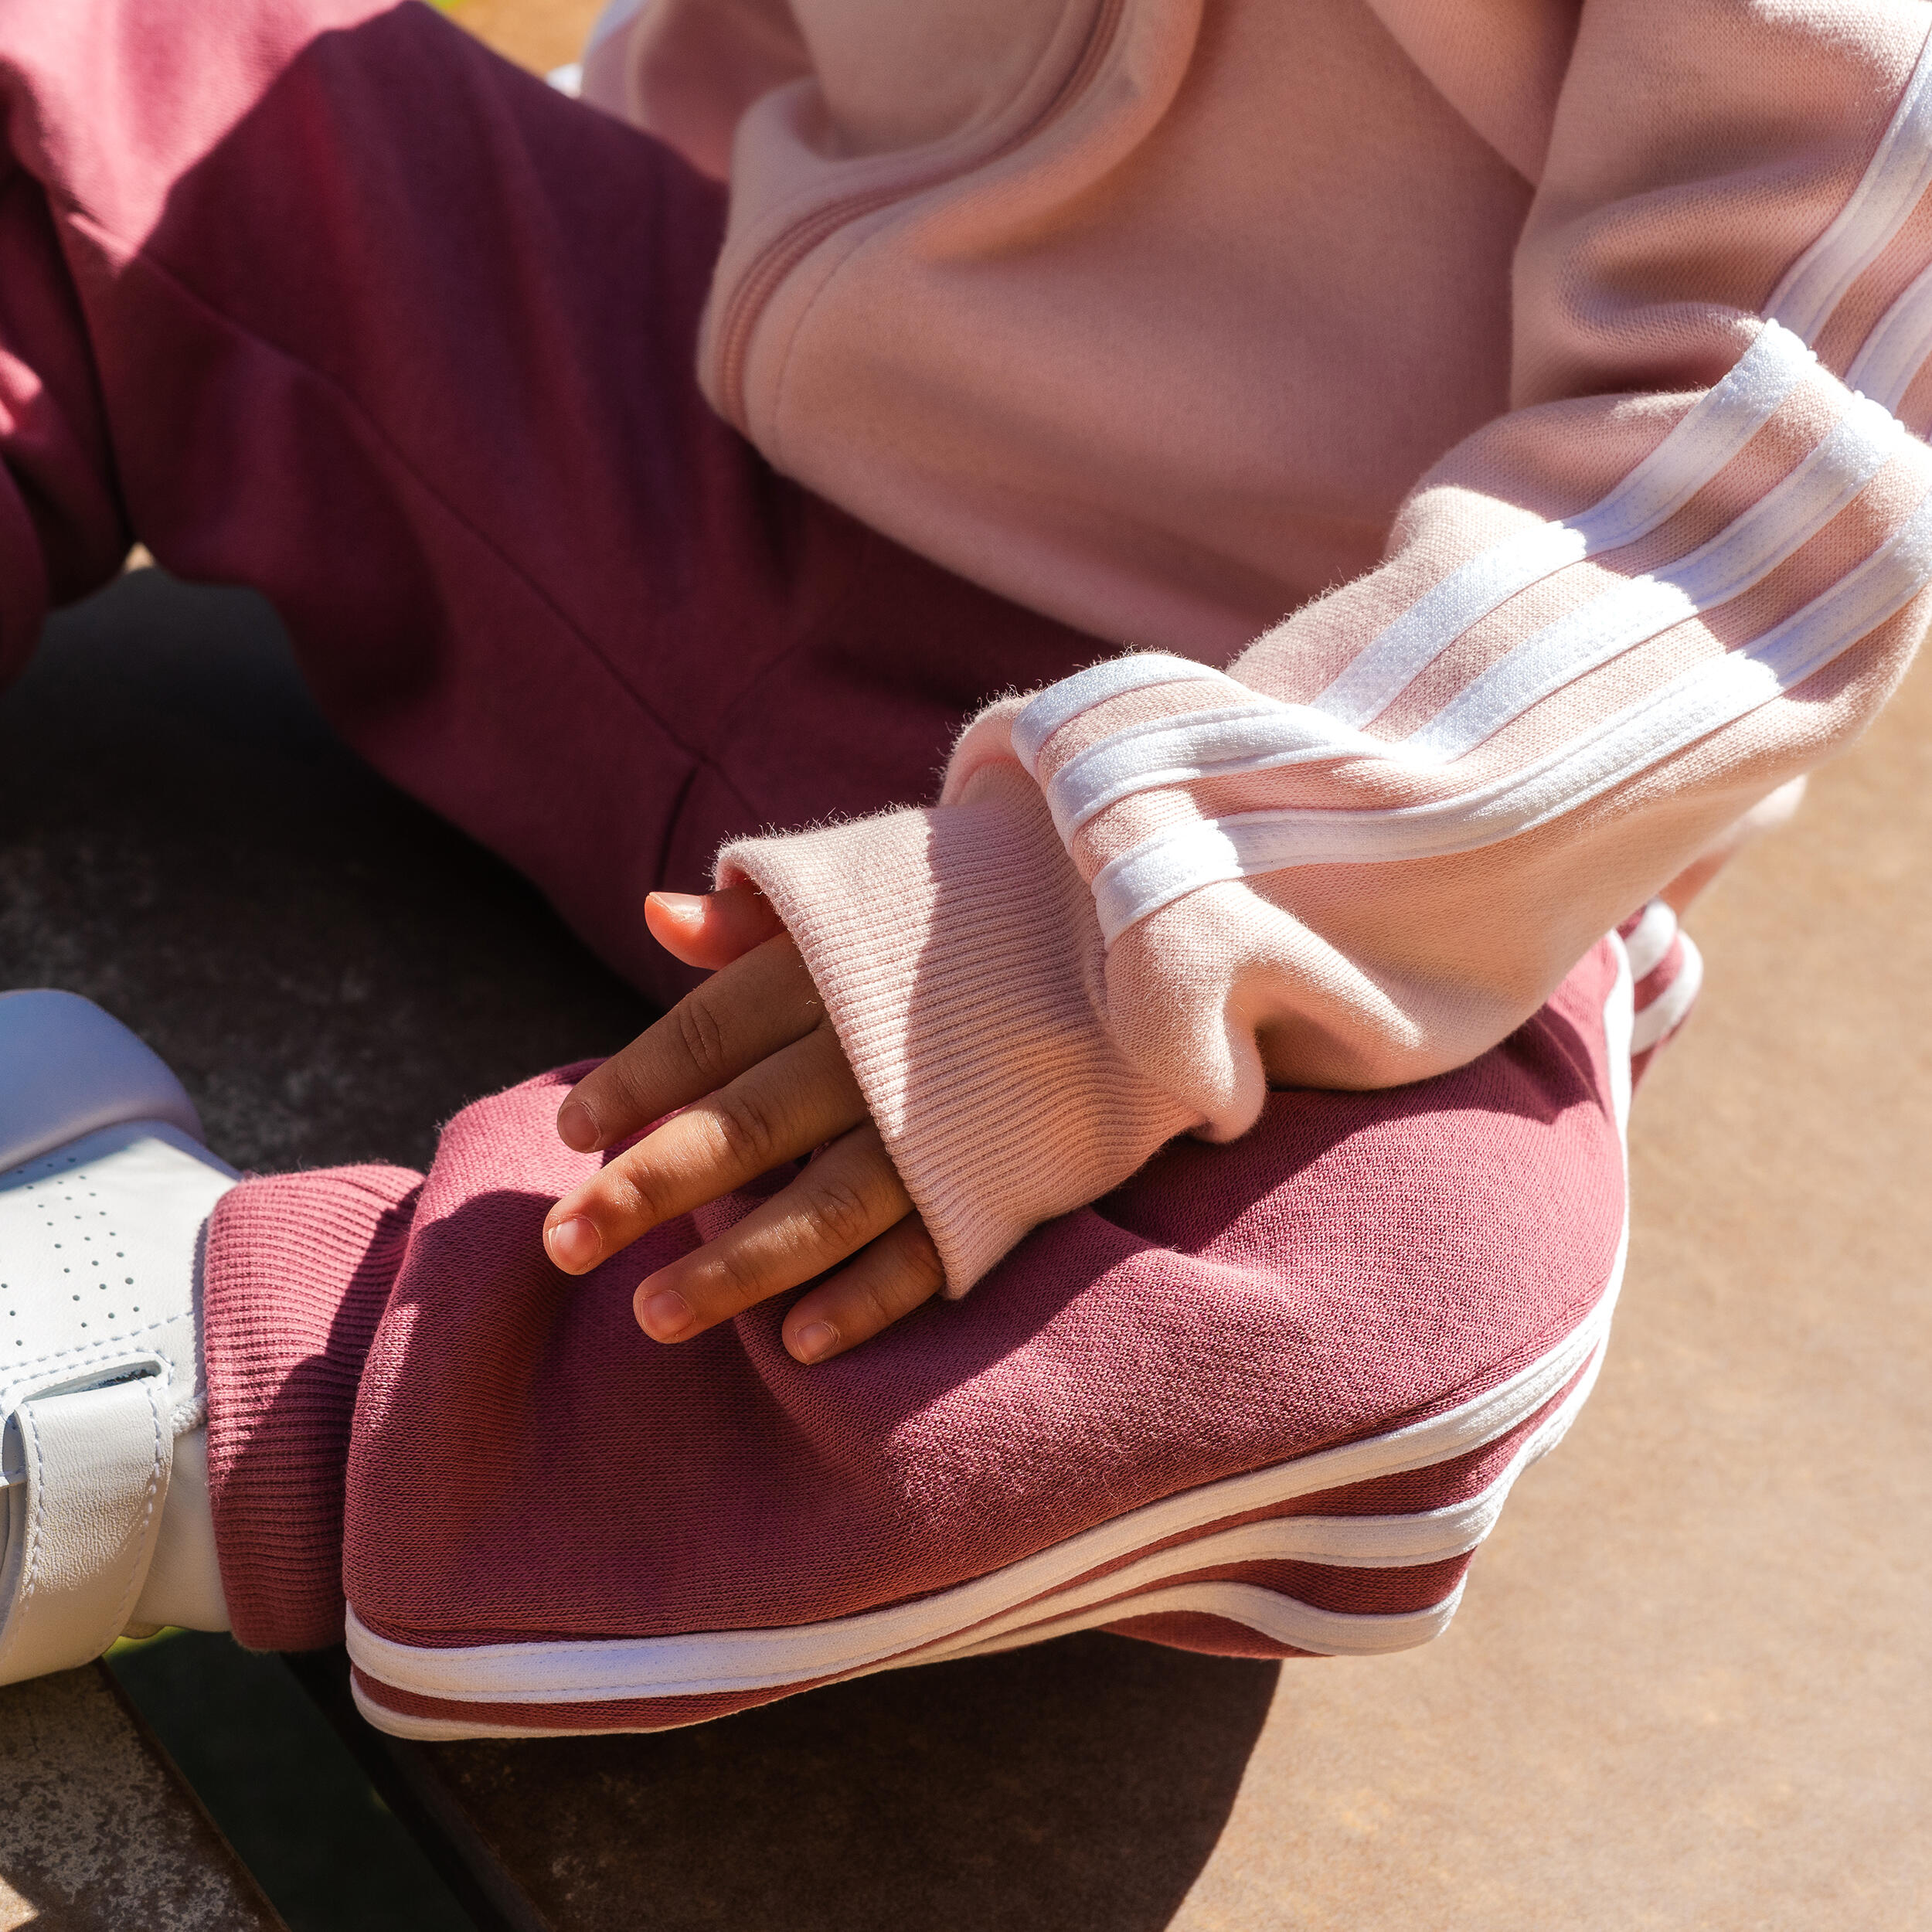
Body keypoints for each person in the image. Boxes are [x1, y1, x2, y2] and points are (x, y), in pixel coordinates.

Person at [0, 0, 1922, 1734]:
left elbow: (1739, 486)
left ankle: (165, 1399)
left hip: (1297, 775)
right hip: (717, 410)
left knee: (1432, 1272)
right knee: (99, 69)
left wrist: (1094, 915)